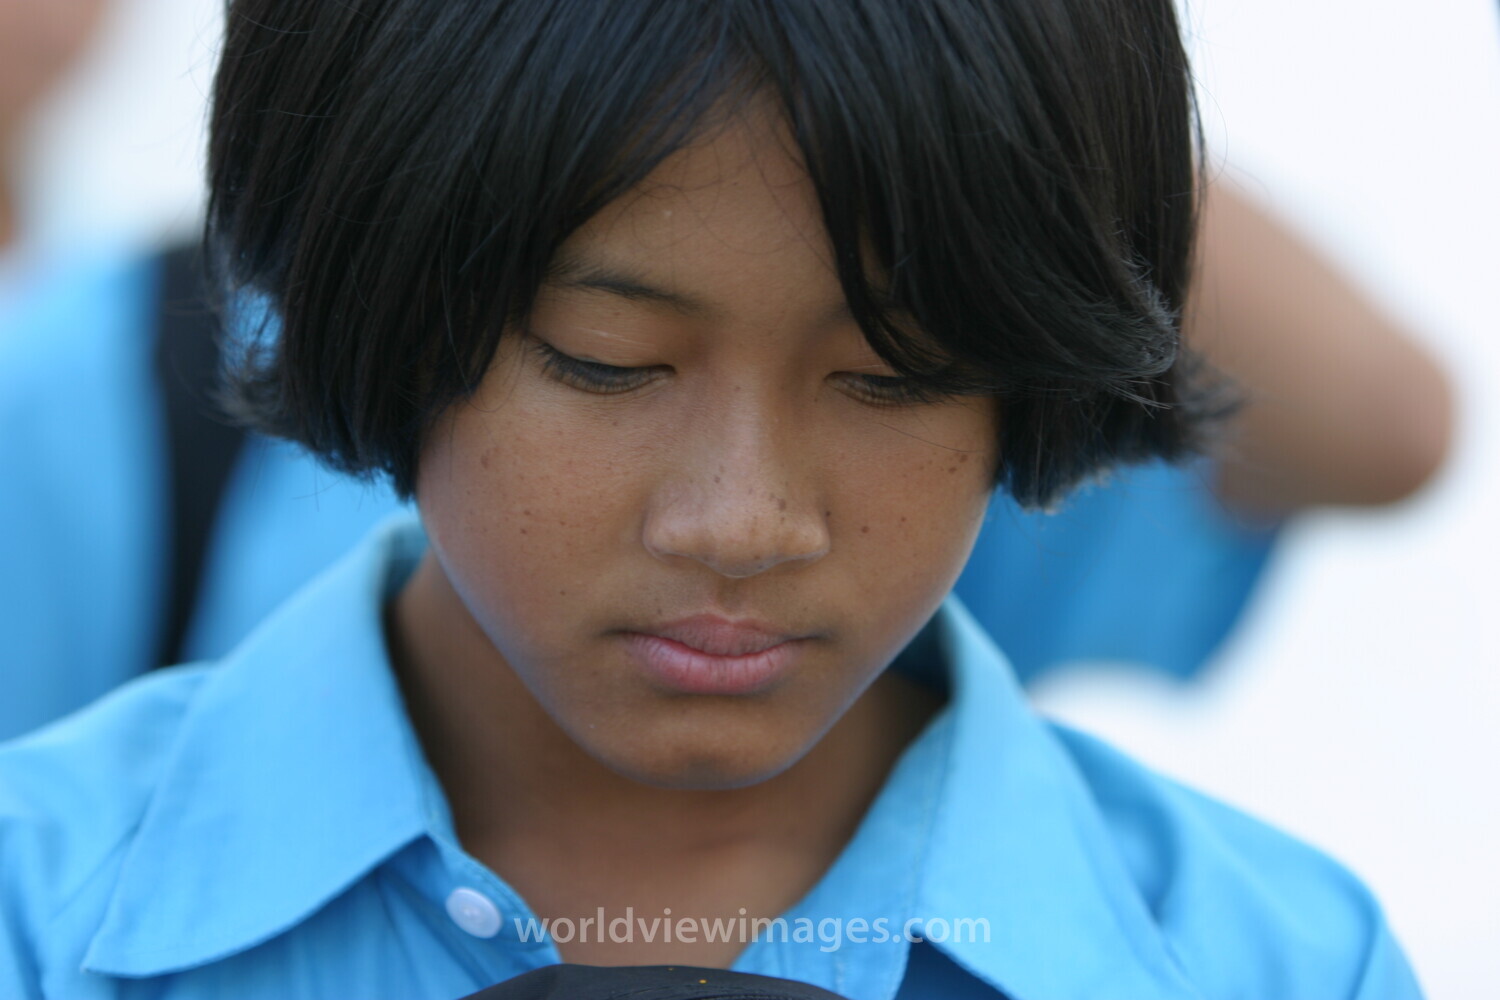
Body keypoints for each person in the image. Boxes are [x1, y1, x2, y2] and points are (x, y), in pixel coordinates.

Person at [0, 2, 1426, 996]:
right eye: (609, 361)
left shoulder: (1278, 964)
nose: (745, 521)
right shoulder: (40, 921)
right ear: (370, 288)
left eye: (893, 376)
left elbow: (1392, 425)